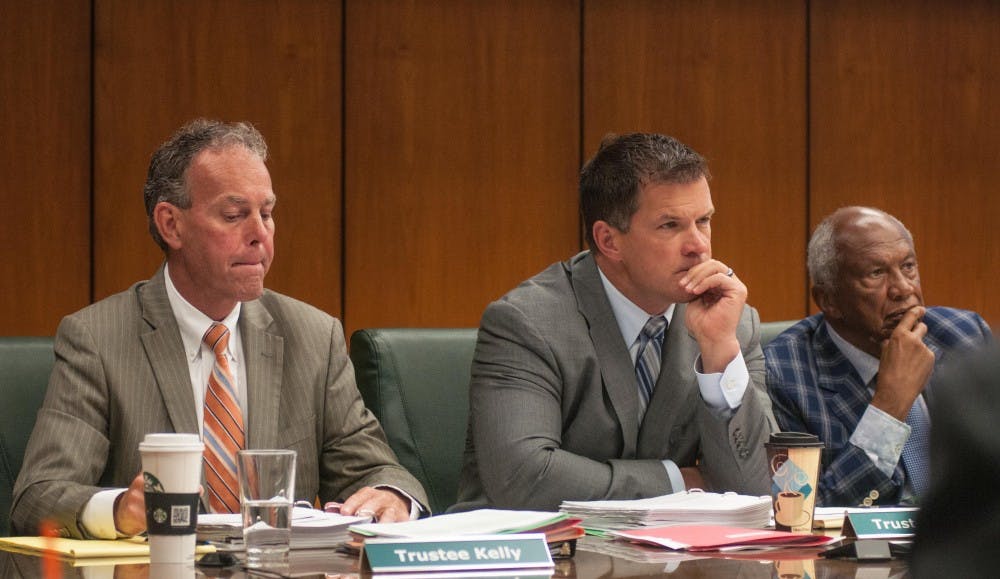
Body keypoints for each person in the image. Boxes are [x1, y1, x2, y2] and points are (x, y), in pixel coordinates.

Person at [11, 119, 427, 539]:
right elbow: (38, 496)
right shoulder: (97, 340)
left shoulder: (314, 337)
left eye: (267, 213)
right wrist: (122, 509)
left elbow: (376, 469)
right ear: (171, 224)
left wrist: (392, 496)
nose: (260, 234)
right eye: (234, 215)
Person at [452, 133, 777, 512]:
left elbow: (761, 485)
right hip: (532, 556)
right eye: (670, 225)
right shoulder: (527, 323)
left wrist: (719, 352)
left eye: (703, 220)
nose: (699, 246)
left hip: (676, 562)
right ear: (609, 241)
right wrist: (677, 482)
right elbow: (524, 478)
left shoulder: (729, 323)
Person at [765, 206, 992, 507]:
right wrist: (889, 408)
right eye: (876, 273)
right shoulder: (785, 373)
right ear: (829, 300)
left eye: (908, 266)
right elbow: (804, 510)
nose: (903, 288)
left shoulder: (964, 336)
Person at [911, 344, 1000, 577]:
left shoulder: (962, 337)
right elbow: (809, 508)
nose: (904, 303)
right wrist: (888, 406)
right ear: (830, 305)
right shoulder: (978, 373)